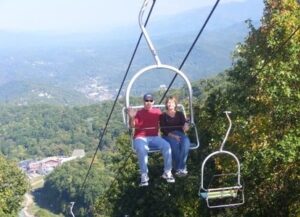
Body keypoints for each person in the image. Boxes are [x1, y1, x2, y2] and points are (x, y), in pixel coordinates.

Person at [127, 93, 175, 186]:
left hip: (154, 137)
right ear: (143, 102)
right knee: (142, 149)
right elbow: (132, 125)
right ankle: (144, 175)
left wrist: (183, 120)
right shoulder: (139, 113)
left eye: (150, 101)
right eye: (146, 101)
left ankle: (167, 172)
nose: (148, 103)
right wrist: (131, 117)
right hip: (140, 137)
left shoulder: (157, 112)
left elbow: (167, 120)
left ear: (153, 102)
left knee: (167, 146)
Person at [160, 96, 191, 177]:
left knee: (186, 142)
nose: (170, 104)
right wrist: (173, 136)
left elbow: (185, 128)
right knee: (174, 145)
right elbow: (163, 129)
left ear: (175, 104)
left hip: (180, 133)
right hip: (168, 135)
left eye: (172, 103)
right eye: (168, 103)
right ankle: (180, 168)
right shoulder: (163, 115)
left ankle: (180, 167)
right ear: (166, 104)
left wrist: (186, 125)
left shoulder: (180, 114)